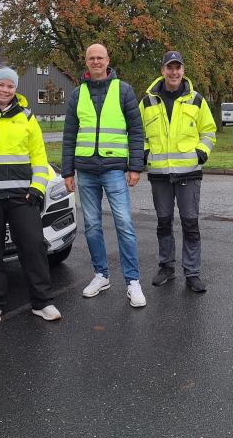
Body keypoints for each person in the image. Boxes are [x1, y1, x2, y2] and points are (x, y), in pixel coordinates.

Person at [0, 67, 61, 324]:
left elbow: (39, 157)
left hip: (21, 197)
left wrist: (37, 189)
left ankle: (42, 302)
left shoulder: (27, 118)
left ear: (16, 89)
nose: (5, 90)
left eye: (10, 86)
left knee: (34, 246)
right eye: (1, 85)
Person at [61, 43, 147, 307]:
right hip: (85, 171)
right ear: (86, 62)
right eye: (91, 58)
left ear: (108, 60)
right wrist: (67, 171)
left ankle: (133, 281)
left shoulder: (123, 90)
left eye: (100, 57)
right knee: (93, 227)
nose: (96, 62)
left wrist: (135, 166)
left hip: (113, 170)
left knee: (124, 224)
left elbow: (136, 130)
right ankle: (101, 274)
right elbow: (70, 135)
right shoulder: (78, 93)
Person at [139, 51, 216, 292]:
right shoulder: (147, 101)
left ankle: (192, 273)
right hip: (160, 174)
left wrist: (201, 153)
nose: (174, 72)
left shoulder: (197, 100)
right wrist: (145, 153)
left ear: (183, 70)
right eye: (169, 68)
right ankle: (167, 268)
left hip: (189, 173)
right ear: (162, 70)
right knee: (163, 223)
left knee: (190, 224)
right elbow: (137, 133)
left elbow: (209, 131)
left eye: (178, 68)